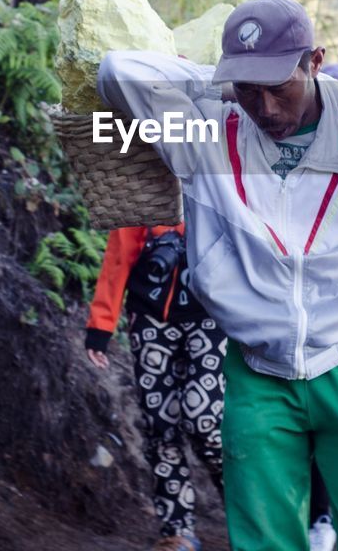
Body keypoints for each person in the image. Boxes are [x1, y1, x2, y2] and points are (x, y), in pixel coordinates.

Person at [97, 0, 338, 551]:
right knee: (263, 536)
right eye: (249, 89)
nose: (265, 107)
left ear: (314, 61)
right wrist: (221, 80)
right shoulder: (204, 134)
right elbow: (117, 70)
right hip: (256, 364)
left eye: (279, 85)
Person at [85, 225, 226, 551]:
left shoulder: (222, 174)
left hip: (212, 311)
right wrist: (102, 323)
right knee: (159, 424)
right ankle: (177, 530)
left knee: (203, 419)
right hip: (150, 311)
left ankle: (248, 511)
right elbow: (120, 249)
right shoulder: (145, 179)